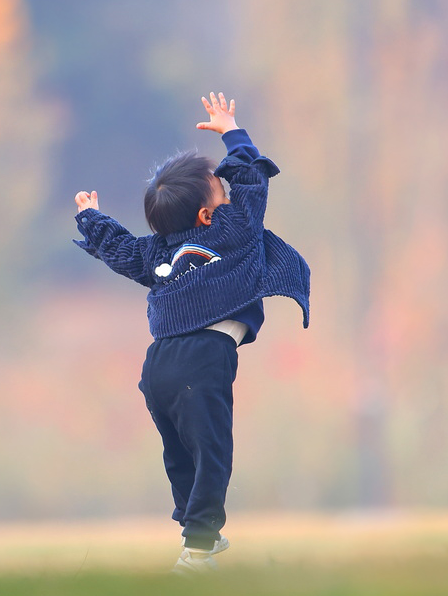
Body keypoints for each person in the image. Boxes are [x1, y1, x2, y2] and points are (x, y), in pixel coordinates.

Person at [73, 92, 310, 574]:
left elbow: (118, 249)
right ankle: (198, 550)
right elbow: (249, 179)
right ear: (207, 215)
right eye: (219, 195)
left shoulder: (155, 255)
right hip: (203, 359)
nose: (228, 195)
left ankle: (197, 533)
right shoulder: (235, 230)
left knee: (182, 454)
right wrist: (231, 132)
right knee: (213, 452)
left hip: (158, 365)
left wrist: (90, 219)